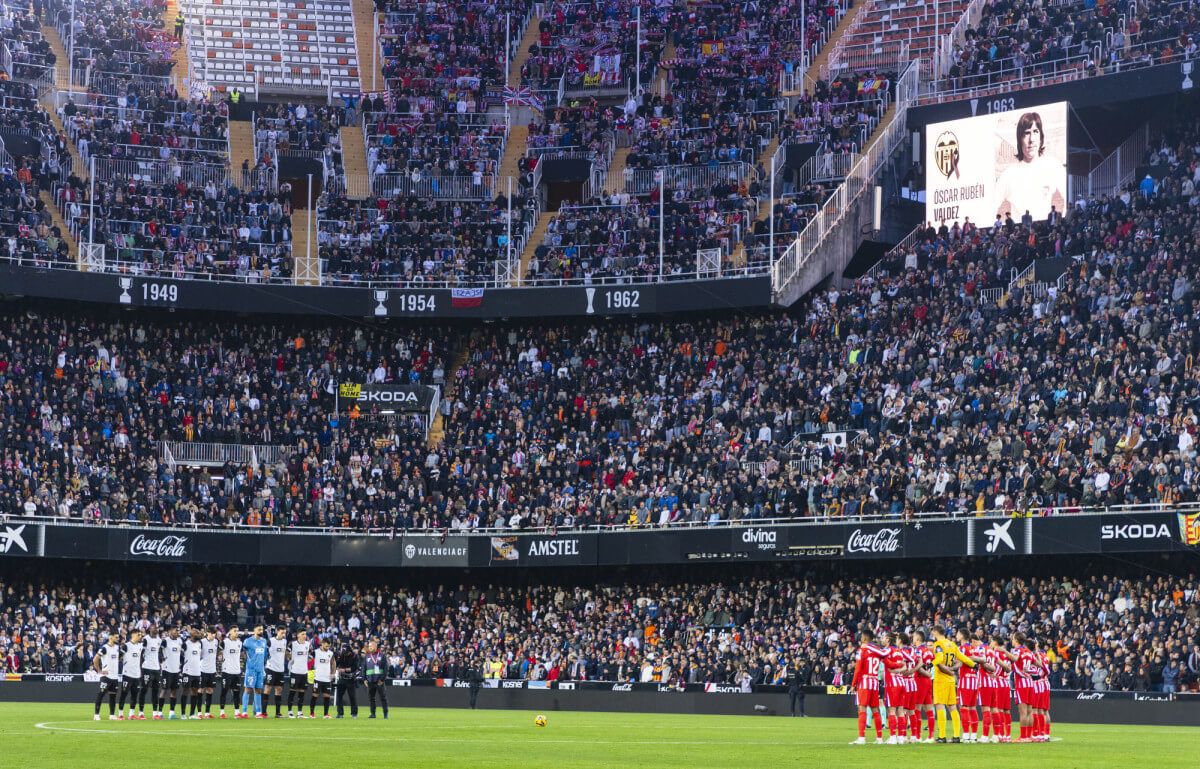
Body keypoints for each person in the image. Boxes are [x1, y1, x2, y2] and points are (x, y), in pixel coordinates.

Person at [995, 111, 1065, 221]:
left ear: (1041, 137)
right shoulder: (1009, 174)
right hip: (1020, 232)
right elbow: (991, 206)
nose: (1031, 139)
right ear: (1019, 139)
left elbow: (1067, 198)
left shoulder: (1054, 166)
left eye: (1035, 132)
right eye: (1026, 133)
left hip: (1044, 230)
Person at [931, 625, 975, 743]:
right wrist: (974, 665)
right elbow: (963, 658)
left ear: (936, 632)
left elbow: (939, 658)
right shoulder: (952, 644)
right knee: (952, 707)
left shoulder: (938, 644)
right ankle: (956, 736)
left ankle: (942, 736)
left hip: (941, 678)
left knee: (940, 705)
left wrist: (933, 662)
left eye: (933, 632)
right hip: (951, 680)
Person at [849, 627, 891, 745]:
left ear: (865, 638)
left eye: (862, 636)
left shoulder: (862, 650)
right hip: (874, 682)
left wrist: (853, 685)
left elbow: (857, 669)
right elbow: (887, 661)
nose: (860, 638)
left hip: (864, 682)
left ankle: (861, 738)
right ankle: (879, 738)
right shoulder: (877, 650)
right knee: (875, 710)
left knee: (862, 709)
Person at [954, 629, 987, 742]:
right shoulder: (974, 648)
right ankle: (973, 735)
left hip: (965, 681)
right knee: (972, 708)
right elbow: (981, 660)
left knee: (964, 708)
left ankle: (966, 735)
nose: (956, 635)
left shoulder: (962, 648)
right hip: (974, 681)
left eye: (958, 634)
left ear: (962, 636)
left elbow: (959, 661)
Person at [883, 632, 914, 743]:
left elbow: (885, 660)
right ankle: (901, 737)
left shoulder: (888, 650)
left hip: (892, 683)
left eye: (884, 637)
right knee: (900, 710)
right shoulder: (900, 652)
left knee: (892, 710)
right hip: (901, 682)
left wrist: (893, 669)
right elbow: (907, 663)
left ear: (887, 640)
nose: (882, 639)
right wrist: (899, 669)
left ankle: (892, 737)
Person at [910, 630, 935, 743]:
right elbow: (931, 664)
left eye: (914, 637)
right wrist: (929, 675)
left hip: (920, 680)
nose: (913, 638)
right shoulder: (929, 651)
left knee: (917, 709)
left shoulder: (918, 651)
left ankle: (918, 736)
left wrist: (913, 671)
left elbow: (920, 667)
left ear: (918, 639)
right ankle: (930, 736)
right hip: (928, 682)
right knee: (929, 709)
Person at [241, 625, 268, 719]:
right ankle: (244, 712)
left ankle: (258, 712)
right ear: (254, 630)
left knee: (258, 690)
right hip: (251, 669)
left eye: (262, 629)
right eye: (259, 629)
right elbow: (242, 652)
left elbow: (264, 655)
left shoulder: (264, 641)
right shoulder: (248, 641)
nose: (261, 631)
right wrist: (248, 661)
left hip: (260, 670)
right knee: (248, 689)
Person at [93, 632, 121, 721]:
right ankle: (96, 714)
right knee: (101, 694)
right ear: (110, 637)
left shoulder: (117, 648)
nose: (117, 638)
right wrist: (99, 670)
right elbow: (95, 659)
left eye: (118, 637)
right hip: (106, 676)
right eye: (116, 637)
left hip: (115, 677)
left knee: (113, 696)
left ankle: (112, 715)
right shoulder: (105, 648)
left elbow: (118, 658)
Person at [117, 630, 144, 720]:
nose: (140, 636)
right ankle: (120, 714)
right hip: (127, 674)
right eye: (138, 635)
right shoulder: (126, 646)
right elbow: (118, 657)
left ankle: (131, 714)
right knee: (124, 694)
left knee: (134, 695)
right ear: (133, 635)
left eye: (140, 635)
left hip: (137, 675)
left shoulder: (140, 646)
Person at [140, 626, 163, 720]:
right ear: (149, 630)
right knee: (144, 690)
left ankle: (155, 713)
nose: (156, 629)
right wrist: (140, 667)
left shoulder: (159, 640)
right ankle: (141, 712)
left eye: (157, 628)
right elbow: (141, 653)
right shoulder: (145, 639)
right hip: (146, 667)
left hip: (156, 668)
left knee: (155, 691)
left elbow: (159, 652)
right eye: (154, 628)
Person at [218, 627, 242, 718]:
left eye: (237, 631)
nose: (236, 633)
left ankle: (237, 712)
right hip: (227, 671)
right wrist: (220, 657)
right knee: (224, 691)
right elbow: (219, 652)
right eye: (234, 631)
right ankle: (222, 712)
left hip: (236, 671)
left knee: (236, 692)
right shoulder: (225, 642)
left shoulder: (240, 643)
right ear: (230, 632)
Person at [288, 630, 311, 718]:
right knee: (292, 691)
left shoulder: (308, 644)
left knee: (302, 692)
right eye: (302, 634)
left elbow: (310, 655)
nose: (304, 635)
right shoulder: (292, 644)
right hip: (295, 672)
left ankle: (299, 713)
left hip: (304, 672)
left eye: (305, 634)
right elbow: (286, 653)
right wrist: (290, 660)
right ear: (298, 635)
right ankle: (290, 711)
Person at [161, 627, 184, 719]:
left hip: (176, 670)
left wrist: (181, 663)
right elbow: (160, 651)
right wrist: (162, 659)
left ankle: (171, 713)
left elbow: (181, 654)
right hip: (167, 669)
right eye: (175, 631)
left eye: (178, 631)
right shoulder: (165, 641)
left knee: (174, 691)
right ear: (170, 631)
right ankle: (159, 713)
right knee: (164, 690)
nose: (177, 632)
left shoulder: (180, 641)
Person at [265, 627, 288, 718]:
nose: (283, 635)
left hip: (280, 670)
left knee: (279, 690)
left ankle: (278, 713)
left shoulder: (285, 642)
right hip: (271, 668)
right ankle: (264, 712)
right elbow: (265, 652)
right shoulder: (270, 641)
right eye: (282, 633)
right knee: (267, 689)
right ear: (277, 632)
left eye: (284, 633)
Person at [363, 639, 389, 719]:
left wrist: (382, 679)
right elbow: (363, 669)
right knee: (371, 698)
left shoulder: (382, 655)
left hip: (379, 681)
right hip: (370, 681)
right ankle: (373, 714)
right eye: (369, 646)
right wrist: (364, 679)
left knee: (383, 698)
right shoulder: (367, 656)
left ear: (375, 646)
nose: (369, 647)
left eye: (371, 646)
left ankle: (385, 714)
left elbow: (385, 668)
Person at [182, 628, 204, 719]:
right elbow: (181, 656)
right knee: (185, 691)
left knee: (195, 692)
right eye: (197, 633)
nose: (198, 634)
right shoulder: (185, 644)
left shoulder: (200, 644)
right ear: (191, 634)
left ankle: (192, 714)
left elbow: (201, 656)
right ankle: (183, 714)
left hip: (197, 672)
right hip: (187, 671)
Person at [311, 639, 336, 718]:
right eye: (326, 646)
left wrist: (333, 673)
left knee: (327, 696)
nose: (328, 647)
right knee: (315, 695)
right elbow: (309, 660)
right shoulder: (315, 652)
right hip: (317, 678)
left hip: (327, 679)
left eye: (329, 646)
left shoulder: (330, 653)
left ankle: (326, 714)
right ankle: (312, 713)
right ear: (322, 644)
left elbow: (333, 663)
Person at [335, 640, 360, 718]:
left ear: (350, 651)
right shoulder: (341, 655)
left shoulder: (355, 656)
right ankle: (340, 713)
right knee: (339, 696)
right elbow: (337, 664)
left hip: (351, 678)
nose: (344, 654)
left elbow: (354, 668)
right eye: (343, 652)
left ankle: (354, 713)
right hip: (342, 678)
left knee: (352, 696)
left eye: (346, 652)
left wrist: (344, 670)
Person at [200, 628, 219, 718]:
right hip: (203, 669)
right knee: (200, 690)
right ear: (208, 633)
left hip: (212, 670)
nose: (213, 635)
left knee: (210, 691)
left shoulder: (216, 642)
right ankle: (199, 713)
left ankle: (207, 713)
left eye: (214, 633)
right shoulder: (202, 642)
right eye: (212, 633)